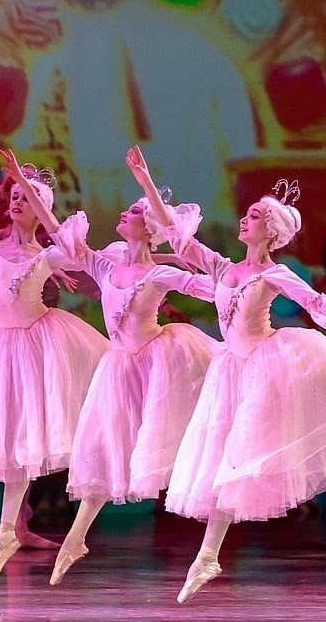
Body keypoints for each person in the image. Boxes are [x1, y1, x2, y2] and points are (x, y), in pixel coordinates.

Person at [130, 146, 326, 603]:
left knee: (237, 458)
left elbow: (315, 303)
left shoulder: (276, 273)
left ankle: (207, 556)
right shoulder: (224, 268)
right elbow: (179, 239)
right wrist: (146, 183)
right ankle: (207, 557)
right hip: (229, 371)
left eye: (254, 215)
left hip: (264, 370)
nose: (244, 218)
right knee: (220, 460)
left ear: (270, 231)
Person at [48, 162, 218, 584]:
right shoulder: (106, 267)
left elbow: (207, 288)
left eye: (134, 212)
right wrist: (28, 189)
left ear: (149, 228)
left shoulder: (159, 273)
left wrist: (237, 286)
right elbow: (63, 239)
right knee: (102, 446)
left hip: (159, 365)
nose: (124, 214)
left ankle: (211, 544)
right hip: (119, 366)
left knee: (175, 446)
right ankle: (75, 539)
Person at [0, 149, 108, 584]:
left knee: (26, 440)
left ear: (39, 209)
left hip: (38, 347)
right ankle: (6, 532)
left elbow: (71, 247)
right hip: (1, 349)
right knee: (12, 442)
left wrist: (25, 180)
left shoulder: (45, 256)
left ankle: (12, 532)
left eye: (26, 198)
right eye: (14, 196)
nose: (16, 201)